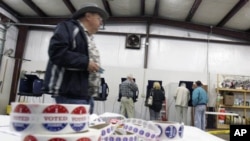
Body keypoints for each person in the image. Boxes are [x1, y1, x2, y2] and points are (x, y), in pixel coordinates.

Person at [43, 3, 109, 114]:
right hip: (70, 94)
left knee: (83, 129)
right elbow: (57, 52)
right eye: (99, 18)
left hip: (85, 94)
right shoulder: (68, 27)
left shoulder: (87, 36)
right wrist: (86, 62)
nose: (101, 22)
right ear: (88, 16)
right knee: (72, 129)